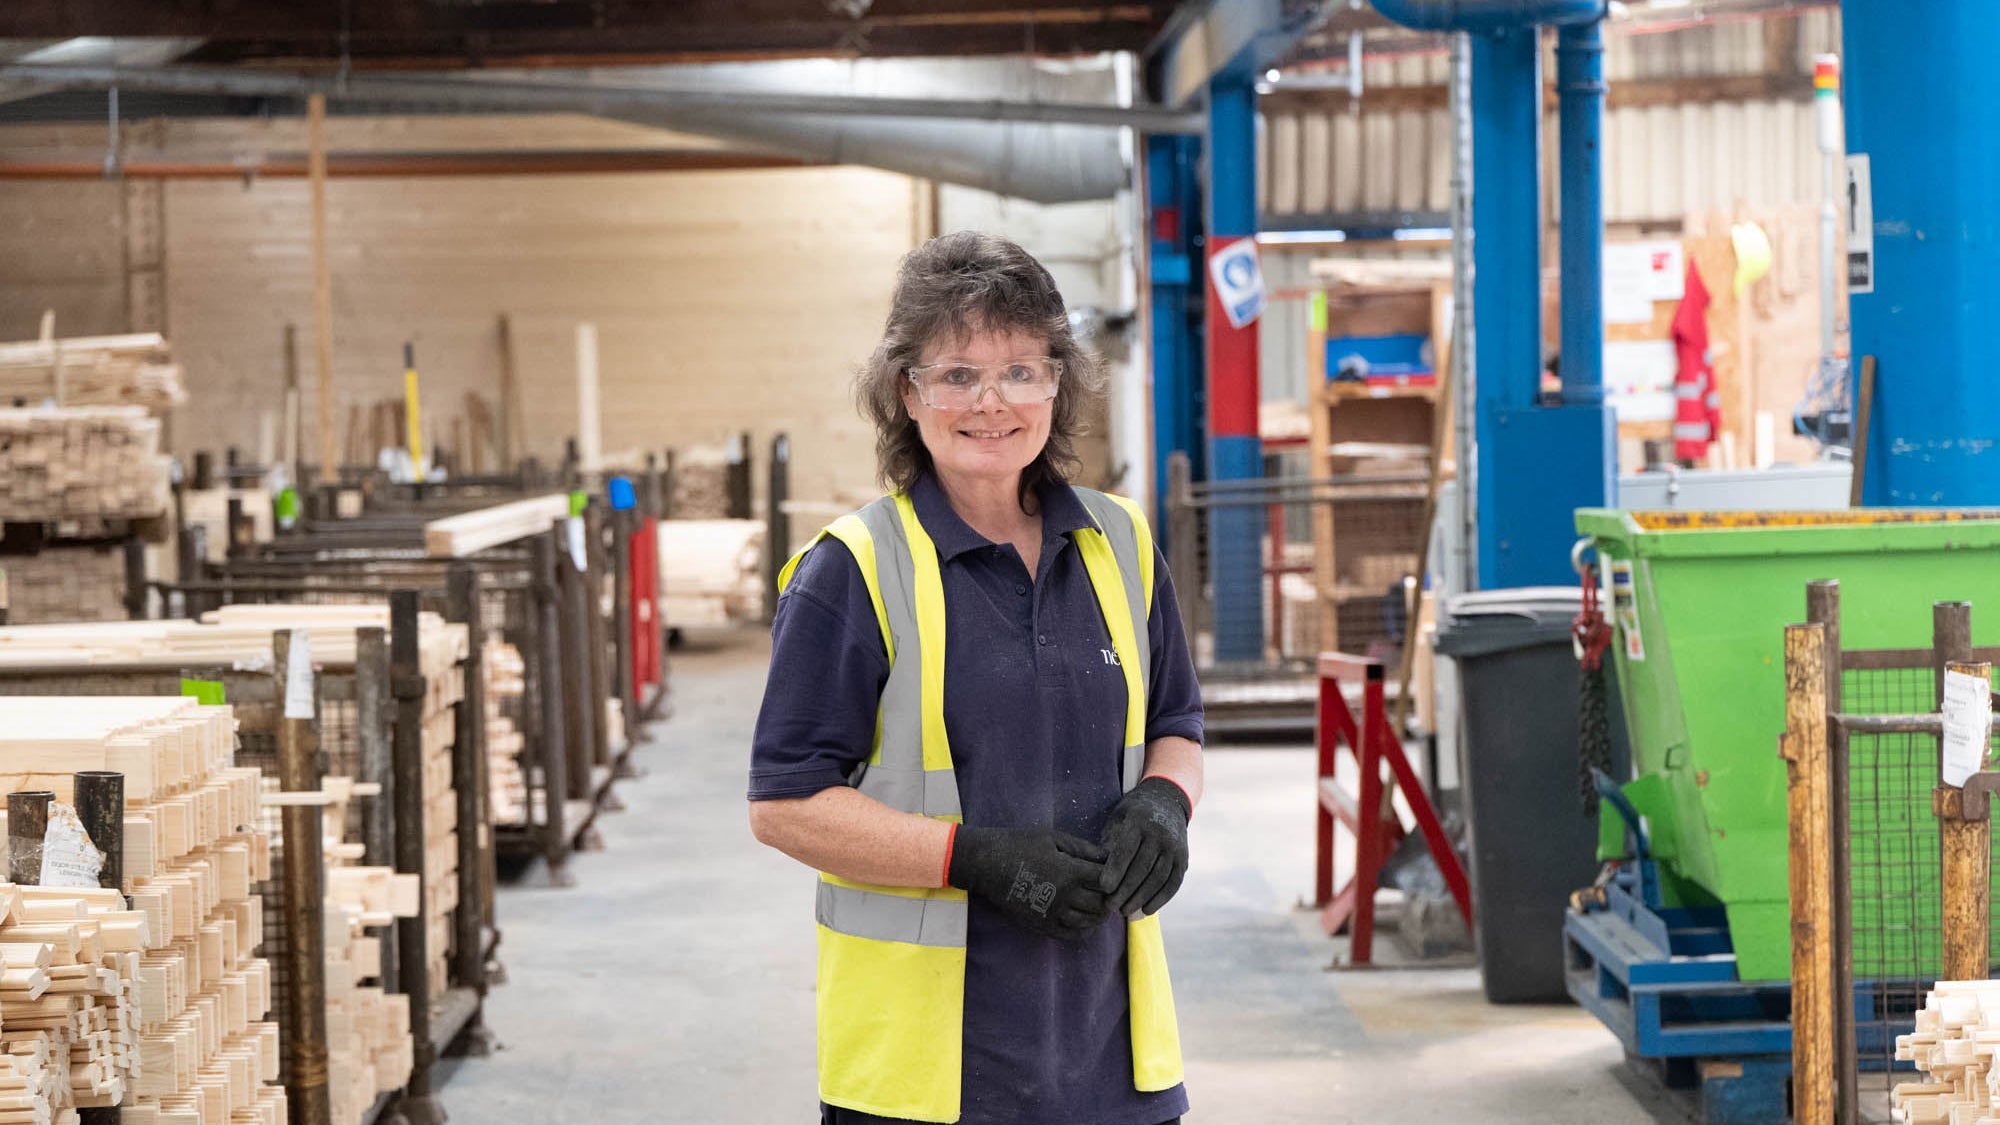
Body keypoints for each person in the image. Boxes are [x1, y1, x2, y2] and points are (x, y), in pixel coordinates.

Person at [747, 230, 1204, 1125]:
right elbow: (784, 804)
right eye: (958, 374)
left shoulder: (1119, 545)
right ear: (906, 392)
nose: (992, 403)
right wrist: (975, 858)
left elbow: (1176, 722)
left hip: (1110, 1057)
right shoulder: (854, 570)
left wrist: (1165, 800)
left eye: (1023, 371)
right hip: (925, 1076)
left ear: (1058, 384)